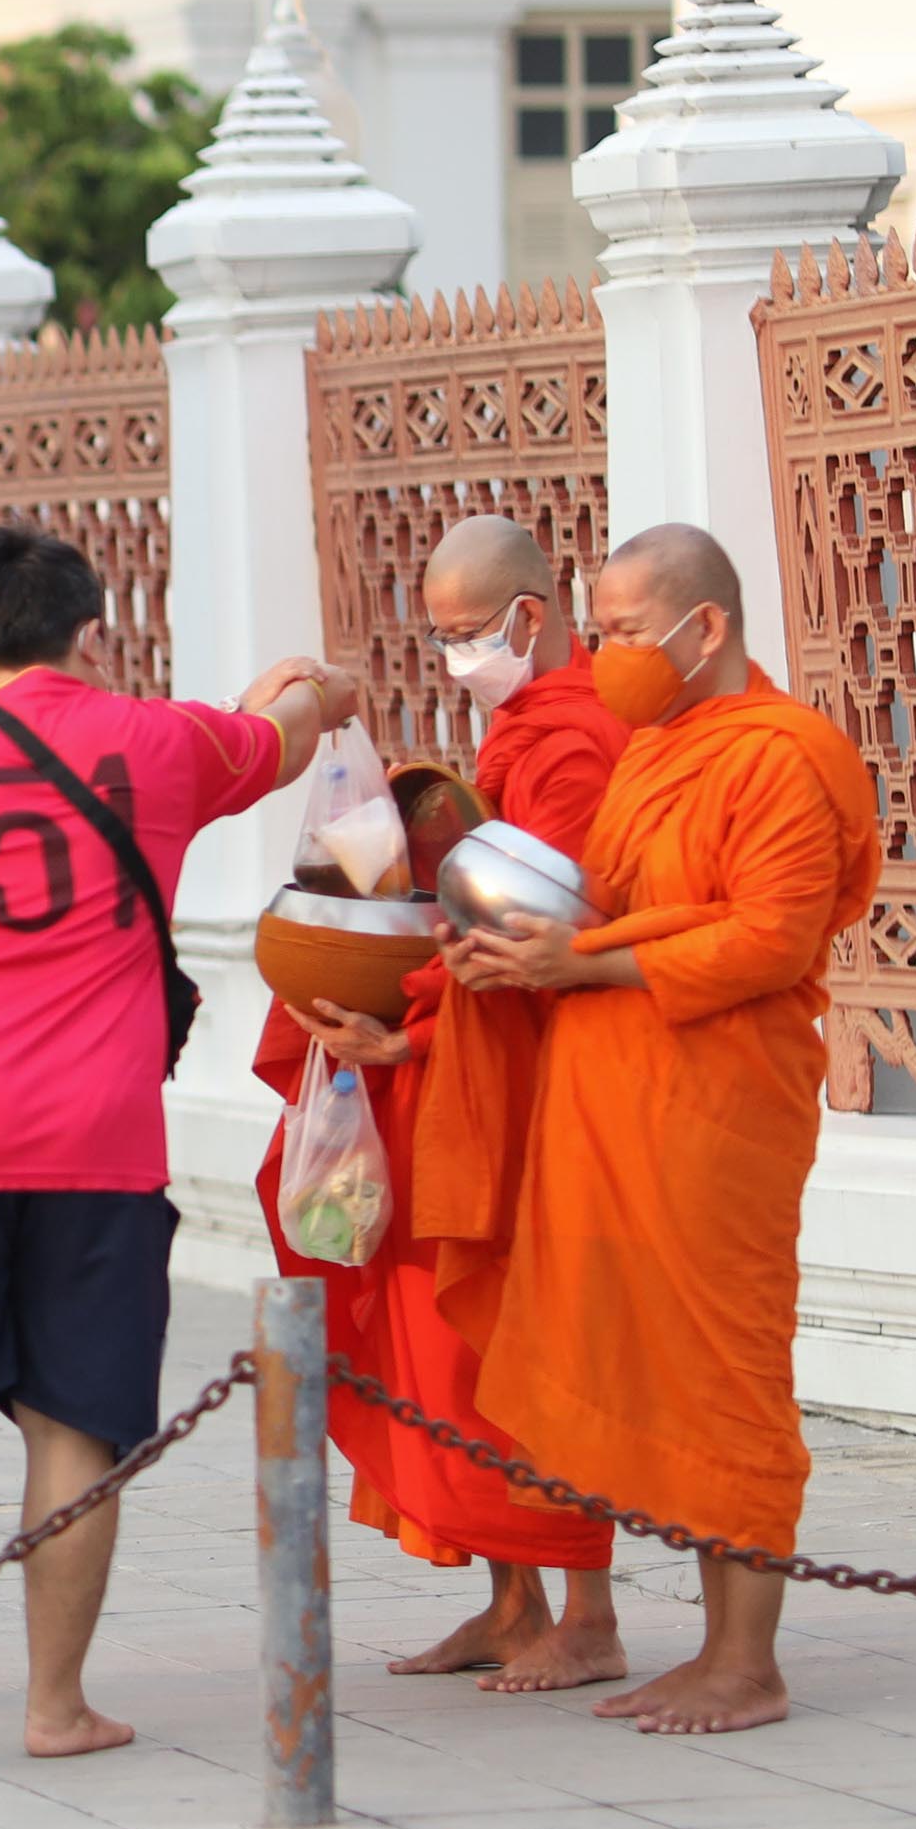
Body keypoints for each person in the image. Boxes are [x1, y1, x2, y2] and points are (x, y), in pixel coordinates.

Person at [0, 525, 355, 1771]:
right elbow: (289, 732)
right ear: (90, 633)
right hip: (100, 1141)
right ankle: (56, 1708)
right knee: (73, 1427)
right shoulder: (163, 742)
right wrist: (314, 690)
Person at [447, 523, 875, 1736]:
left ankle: (748, 1663)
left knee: (725, 1365)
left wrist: (579, 961)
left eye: (631, 630)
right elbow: (616, 903)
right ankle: (700, 1643)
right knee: (658, 1368)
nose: (615, 651)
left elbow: (769, 940)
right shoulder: (653, 745)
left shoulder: (786, 755)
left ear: (708, 628)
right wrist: (513, 942)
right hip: (619, 1090)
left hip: (719, 1100)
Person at [256, 517, 627, 1691]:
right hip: (464, 1058)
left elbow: (530, 918)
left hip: (535, 1073)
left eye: (473, 633)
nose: (462, 652)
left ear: (534, 613)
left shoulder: (578, 736)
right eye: (446, 633)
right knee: (444, 1330)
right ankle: (509, 1597)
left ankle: (589, 1611)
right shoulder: (520, 726)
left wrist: (405, 1027)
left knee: (523, 1329)